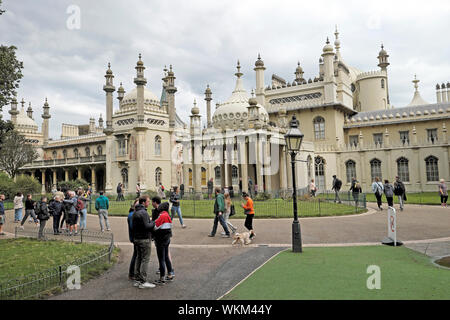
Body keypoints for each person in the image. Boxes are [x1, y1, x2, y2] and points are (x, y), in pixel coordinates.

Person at [132, 195, 156, 289]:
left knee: (139, 258)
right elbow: (147, 226)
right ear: (143, 202)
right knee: (145, 259)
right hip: (144, 239)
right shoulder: (144, 213)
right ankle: (143, 281)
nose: (149, 203)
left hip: (136, 238)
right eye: (148, 201)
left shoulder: (135, 212)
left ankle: (137, 279)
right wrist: (153, 222)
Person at [153, 202, 175, 285]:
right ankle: (169, 274)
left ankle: (162, 278)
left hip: (160, 240)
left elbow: (155, 226)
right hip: (167, 239)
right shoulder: (167, 215)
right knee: (166, 257)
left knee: (161, 259)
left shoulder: (162, 216)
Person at [127, 199, 140, 281]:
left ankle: (133, 272)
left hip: (135, 237)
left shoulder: (134, 214)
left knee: (136, 254)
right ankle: (132, 273)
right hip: (135, 237)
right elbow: (133, 227)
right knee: (135, 255)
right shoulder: (132, 215)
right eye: (137, 204)